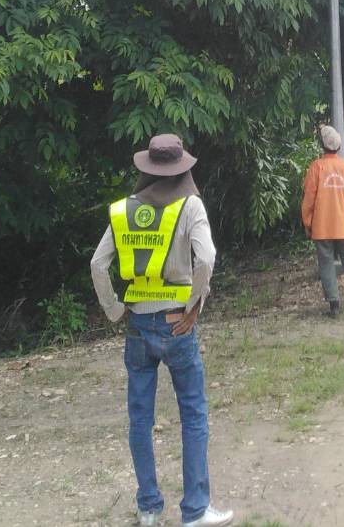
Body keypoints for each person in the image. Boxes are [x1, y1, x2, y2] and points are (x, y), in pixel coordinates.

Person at [90, 133, 233, 527]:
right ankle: (196, 511)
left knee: (140, 418)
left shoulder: (125, 210)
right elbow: (207, 257)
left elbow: (97, 264)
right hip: (176, 324)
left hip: (137, 324)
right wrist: (195, 304)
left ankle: (149, 508)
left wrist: (115, 309)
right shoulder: (190, 206)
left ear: (148, 168)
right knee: (193, 413)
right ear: (182, 168)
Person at [301, 124, 344, 317]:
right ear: (338, 146)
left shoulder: (317, 167)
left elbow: (309, 199)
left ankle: (334, 306)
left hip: (321, 226)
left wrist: (307, 223)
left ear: (322, 145)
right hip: (342, 225)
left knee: (326, 264)